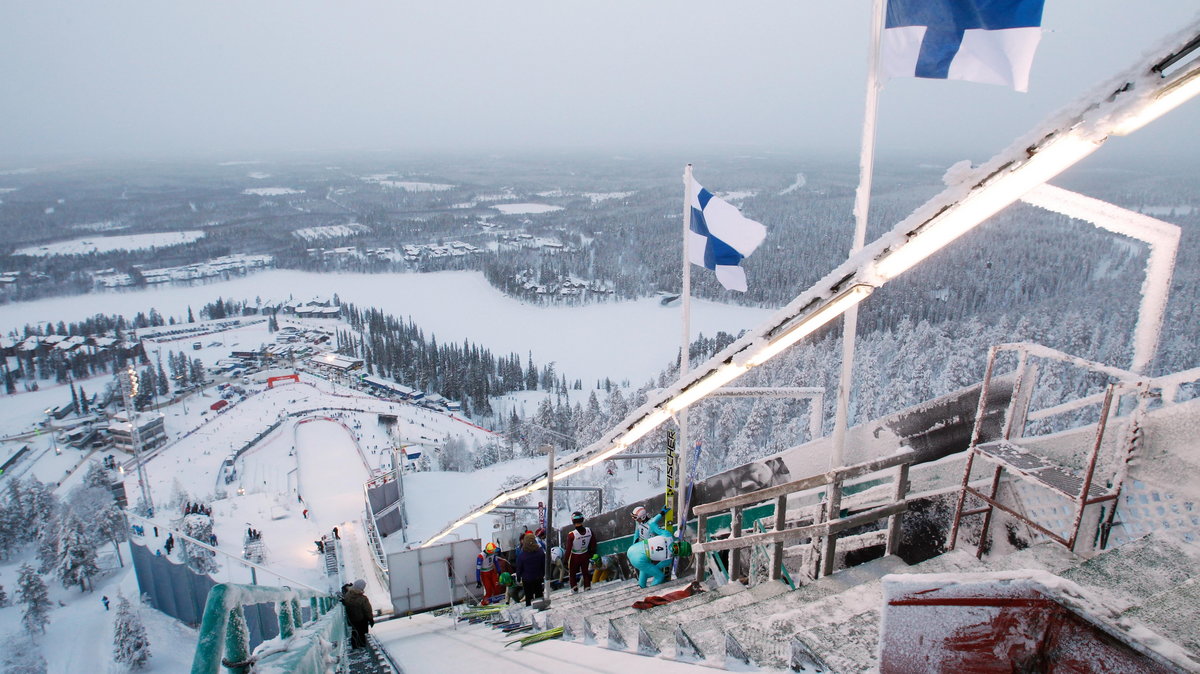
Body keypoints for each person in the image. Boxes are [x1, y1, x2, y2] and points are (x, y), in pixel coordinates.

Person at [627, 536, 692, 588]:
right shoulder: (668, 560)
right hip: (638, 560)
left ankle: (641, 585)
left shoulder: (668, 535)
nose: (673, 549)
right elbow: (656, 569)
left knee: (647, 566)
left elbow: (652, 524)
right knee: (659, 576)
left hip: (632, 548)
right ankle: (649, 593)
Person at [564, 512, 597, 593]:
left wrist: (565, 561)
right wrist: (591, 553)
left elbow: (568, 549)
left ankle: (574, 588)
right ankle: (587, 586)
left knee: (572, 573)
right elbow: (593, 544)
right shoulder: (589, 531)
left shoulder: (572, 534)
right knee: (585, 572)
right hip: (585, 553)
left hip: (575, 555)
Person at [515, 533, 546, 607]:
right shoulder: (540, 552)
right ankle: (541, 608)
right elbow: (544, 564)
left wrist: (518, 578)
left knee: (529, 597)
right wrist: (543, 574)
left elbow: (519, 568)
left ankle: (529, 609)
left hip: (527, 580)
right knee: (539, 594)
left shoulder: (522, 555)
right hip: (538, 577)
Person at [342, 579, 374, 648]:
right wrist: (370, 619)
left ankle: (355, 646)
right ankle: (362, 645)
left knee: (354, 633)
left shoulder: (347, 595)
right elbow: (367, 610)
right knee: (363, 634)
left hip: (351, 620)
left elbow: (344, 591)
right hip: (361, 620)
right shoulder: (363, 599)